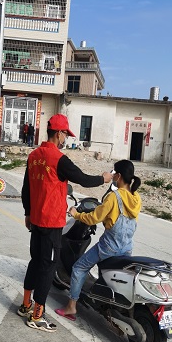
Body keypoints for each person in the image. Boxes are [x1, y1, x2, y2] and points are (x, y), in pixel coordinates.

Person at [19, 114, 113, 331]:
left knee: (35, 261)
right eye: (65, 135)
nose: (65, 139)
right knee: (48, 267)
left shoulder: (34, 156)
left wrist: (28, 213)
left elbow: (26, 188)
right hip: (51, 223)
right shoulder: (58, 159)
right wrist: (103, 178)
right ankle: (37, 316)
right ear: (59, 133)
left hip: (36, 220)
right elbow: (83, 179)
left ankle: (25, 304)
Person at [57, 159, 141, 321]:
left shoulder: (114, 197)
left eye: (114, 172)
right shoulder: (136, 197)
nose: (113, 175)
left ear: (118, 176)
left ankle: (71, 306)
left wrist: (76, 214)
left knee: (79, 268)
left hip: (109, 247)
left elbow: (94, 218)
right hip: (126, 247)